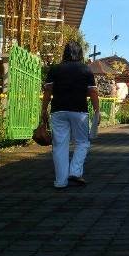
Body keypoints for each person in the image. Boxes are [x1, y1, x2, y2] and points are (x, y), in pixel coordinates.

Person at [41, 41, 99, 189]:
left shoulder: (55, 69)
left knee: (60, 145)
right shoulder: (85, 70)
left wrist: (43, 110)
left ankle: (60, 182)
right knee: (82, 142)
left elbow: (47, 91)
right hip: (79, 111)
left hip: (58, 111)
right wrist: (97, 111)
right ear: (80, 53)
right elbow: (92, 92)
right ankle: (75, 171)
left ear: (65, 53)